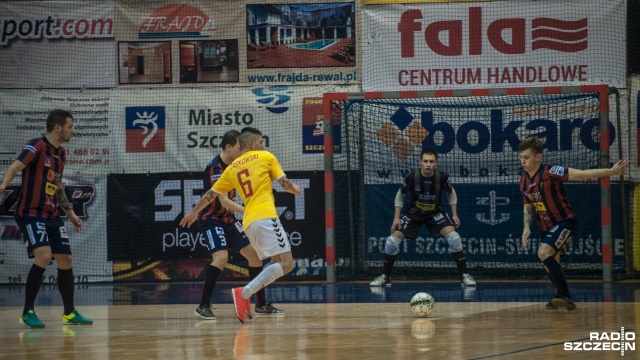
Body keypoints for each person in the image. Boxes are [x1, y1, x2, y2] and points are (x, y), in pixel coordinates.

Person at [180, 127, 301, 323]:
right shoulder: (259, 158)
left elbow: (208, 194)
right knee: (283, 264)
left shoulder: (233, 168)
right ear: (249, 144)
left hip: (240, 220)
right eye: (261, 141)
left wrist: (193, 211)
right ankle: (220, 300)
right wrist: (294, 189)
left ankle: (260, 304)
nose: (263, 145)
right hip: (219, 219)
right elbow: (221, 201)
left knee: (255, 257)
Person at [0, 109, 92, 328]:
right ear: (58, 127)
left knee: (66, 260)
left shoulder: (62, 154)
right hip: (30, 213)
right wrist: (3, 185)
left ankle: (69, 313)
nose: (73, 130)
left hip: (51, 214)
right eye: (70, 126)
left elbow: (57, 187)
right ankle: (27, 312)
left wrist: (70, 214)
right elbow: (16, 166)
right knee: (43, 256)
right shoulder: (37, 145)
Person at [518, 136, 629, 311]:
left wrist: (610, 171)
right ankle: (559, 295)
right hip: (545, 227)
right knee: (550, 264)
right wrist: (526, 228)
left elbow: (582, 174)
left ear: (537, 157)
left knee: (543, 252)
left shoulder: (550, 172)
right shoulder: (523, 180)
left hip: (565, 222)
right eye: (521, 158)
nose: (523, 161)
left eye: (526, 157)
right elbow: (528, 206)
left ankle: (565, 296)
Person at [370, 148, 476, 287]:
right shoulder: (412, 177)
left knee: (454, 238)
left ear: (435, 163)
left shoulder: (442, 177)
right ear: (420, 162)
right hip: (413, 213)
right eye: (425, 161)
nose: (428, 164)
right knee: (391, 241)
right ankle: (385, 277)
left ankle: (464, 275)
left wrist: (454, 214)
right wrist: (396, 218)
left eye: (431, 162)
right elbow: (400, 194)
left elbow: (451, 193)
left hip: (435, 213)